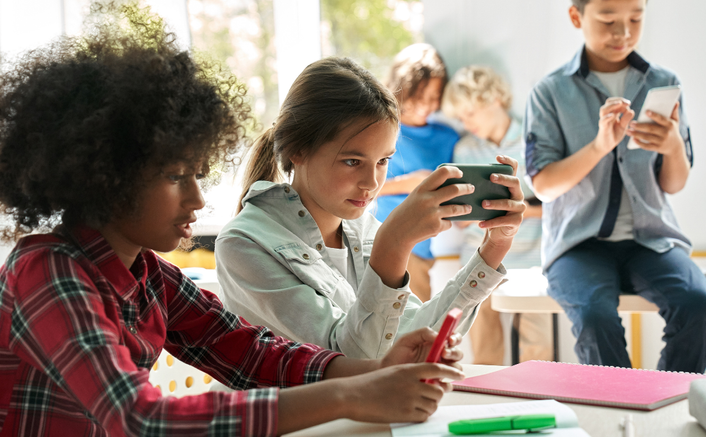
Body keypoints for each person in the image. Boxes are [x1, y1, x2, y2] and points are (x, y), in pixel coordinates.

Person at [0, 4, 468, 437]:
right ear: (106, 176)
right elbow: (141, 420)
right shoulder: (46, 272)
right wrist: (352, 394)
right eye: (176, 176)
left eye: (197, 174)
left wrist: (372, 370)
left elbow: (252, 352)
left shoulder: (150, 276)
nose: (197, 198)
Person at [215, 57, 526, 360]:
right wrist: (394, 244)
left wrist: (494, 248)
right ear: (298, 149)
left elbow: (414, 337)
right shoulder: (244, 244)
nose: (371, 182)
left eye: (383, 161)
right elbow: (354, 363)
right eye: (353, 161)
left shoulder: (362, 229)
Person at [524, 0, 706, 372]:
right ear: (575, 16)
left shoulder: (664, 82)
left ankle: (661, 410)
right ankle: (619, 415)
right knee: (596, 321)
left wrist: (673, 146)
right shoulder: (549, 92)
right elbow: (544, 186)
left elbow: (674, 184)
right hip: (577, 245)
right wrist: (599, 146)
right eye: (608, 19)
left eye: (635, 18)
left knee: (699, 307)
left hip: (652, 240)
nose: (623, 32)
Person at [443, 65, 552, 365]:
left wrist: (517, 210)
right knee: (483, 345)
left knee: (538, 347)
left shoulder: (535, 141)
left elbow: (555, 203)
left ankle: (536, 403)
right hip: (478, 257)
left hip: (531, 260)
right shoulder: (465, 149)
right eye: (461, 116)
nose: (466, 122)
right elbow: (461, 215)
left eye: (471, 113)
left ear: (494, 100)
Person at [372, 43, 459, 301]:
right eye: (420, 96)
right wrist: (410, 183)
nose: (427, 105)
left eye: (434, 97)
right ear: (402, 88)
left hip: (423, 246)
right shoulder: (381, 129)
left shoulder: (448, 138)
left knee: (415, 326)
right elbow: (361, 188)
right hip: (382, 239)